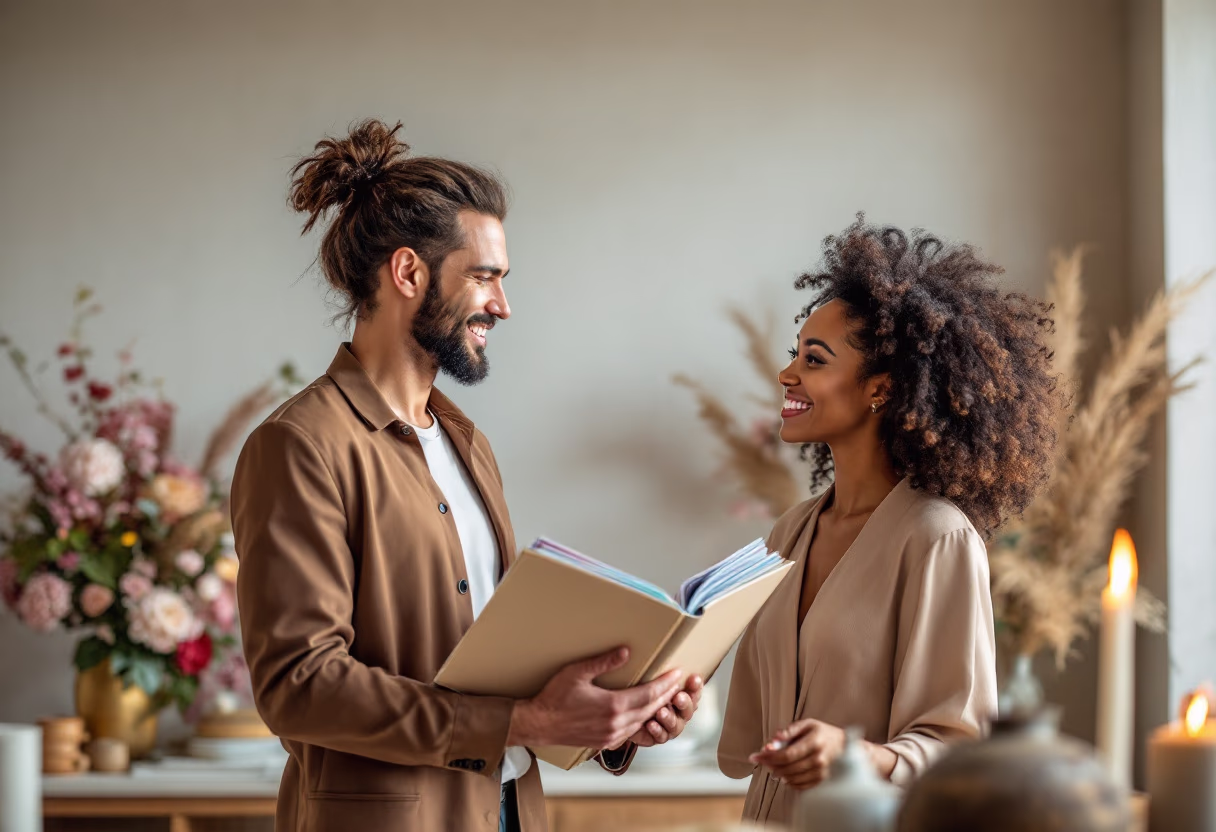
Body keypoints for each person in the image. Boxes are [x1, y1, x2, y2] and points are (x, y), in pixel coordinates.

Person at [230, 119, 700, 832]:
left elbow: (496, 671)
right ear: (410, 273)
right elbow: (299, 685)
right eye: (484, 277)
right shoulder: (300, 446)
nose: (502, 306)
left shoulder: (466, 443)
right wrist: (521, 718)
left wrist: (615, 715)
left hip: (511, 811)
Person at [718, 217, 1063, 825]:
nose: (787, 375)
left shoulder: (937, 537)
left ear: (880, 387)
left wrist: (854, 755)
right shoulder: (787, 535)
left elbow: (962, 749)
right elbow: (746, 738)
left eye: (814, 359)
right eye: (793, 355)